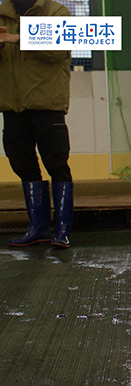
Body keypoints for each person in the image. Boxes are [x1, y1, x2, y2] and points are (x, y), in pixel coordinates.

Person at [0, 0, 74, 248]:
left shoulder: (56, 12)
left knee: (57, 164)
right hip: (11, 106)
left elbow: (58, 51)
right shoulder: (1, 14)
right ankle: (38, 228)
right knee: (22, 165)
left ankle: (62, 231)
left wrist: (17, 38)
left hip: (47, 105)